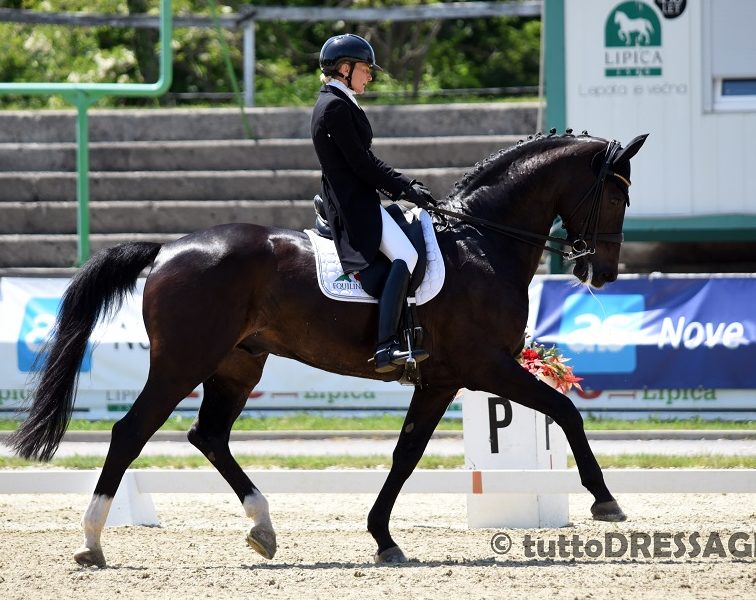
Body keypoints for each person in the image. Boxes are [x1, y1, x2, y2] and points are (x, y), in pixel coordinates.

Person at [310, 33, 436, 373]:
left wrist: (404, 186)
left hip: (356, 197)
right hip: (353, 205)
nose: (369, 76)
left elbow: (364, 161)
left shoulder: (339, 101)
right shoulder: (335, 107)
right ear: (345, 69)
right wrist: (404, 188)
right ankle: (386, 345)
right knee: (407, 256)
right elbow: (362, 165)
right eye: (365, 69)